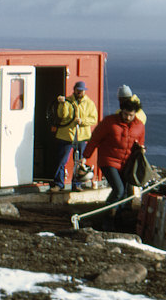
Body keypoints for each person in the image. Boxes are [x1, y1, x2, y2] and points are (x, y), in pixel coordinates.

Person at [83, 98, 146, 226]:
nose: (128, 117)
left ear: (135, 114)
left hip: (126, 164)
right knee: (119, 190)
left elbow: (140, 143)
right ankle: (107, 217)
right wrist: (85, 156)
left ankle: (116, 218)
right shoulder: (109, 122)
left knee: (123, 194)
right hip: (108, 160)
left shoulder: (140, 126)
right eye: (125, 114)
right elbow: (95, 139)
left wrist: (141, 149)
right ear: (121, 111)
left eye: (131, 115)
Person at [51, 81, 98, 191]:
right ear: (74, 90)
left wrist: (82, 121)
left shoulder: (89, 103)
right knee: (61, 161)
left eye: (81, 91)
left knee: (79, 162)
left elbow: (93, 119)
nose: (79, 92)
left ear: (84, 91)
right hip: (66, 136)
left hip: (81, 138)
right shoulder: (67, 101)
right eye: (78, 90)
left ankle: (76, 185)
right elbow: (61, 115)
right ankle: (59, 184)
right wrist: (62, 104)